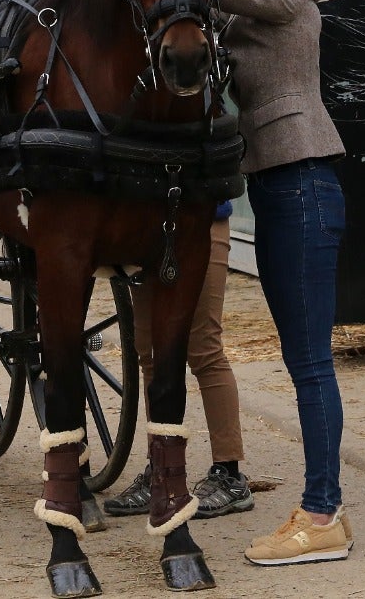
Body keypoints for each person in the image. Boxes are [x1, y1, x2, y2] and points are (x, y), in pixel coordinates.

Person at [219, 0, 353, 567]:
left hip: (301, 186)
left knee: (309, 364)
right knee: (305, 361)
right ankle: (322, 507)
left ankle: (323, 514)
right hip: (279, 187)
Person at [104, 200, 253, 520]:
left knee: (204, 349)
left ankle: (230, 474)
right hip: (143, 227)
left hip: (200, 220)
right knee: (149, 353)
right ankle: (159, 469)